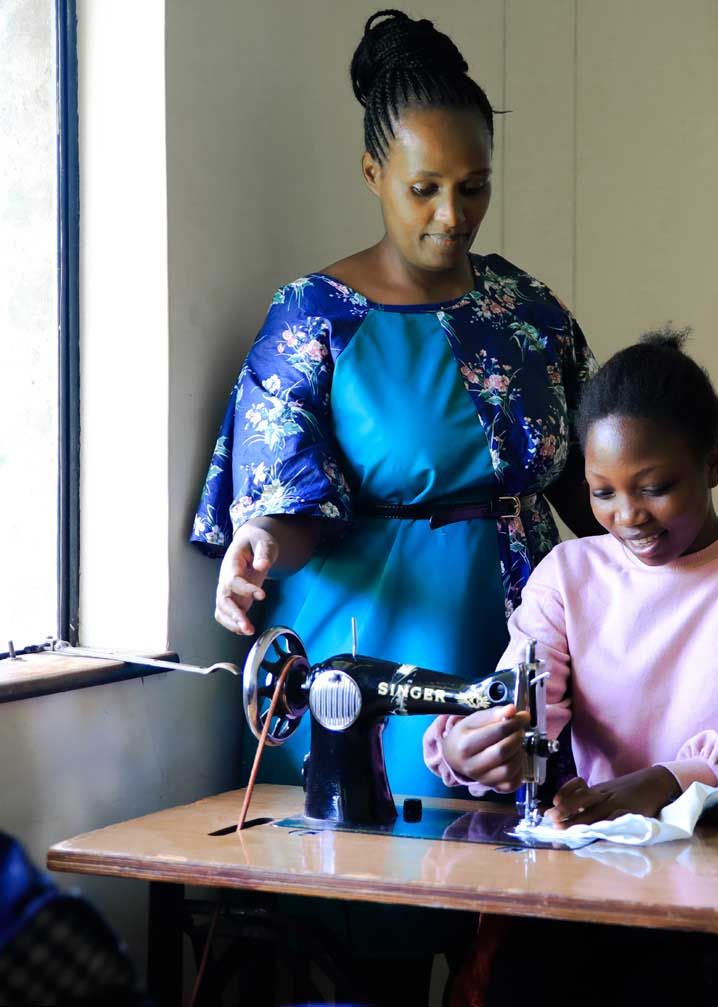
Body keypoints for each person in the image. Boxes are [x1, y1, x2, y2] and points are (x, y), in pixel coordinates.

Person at [190, 9, 599, 1002]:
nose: (451, 215)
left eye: (473, 188)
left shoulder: (528, 310)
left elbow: (596, 478)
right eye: (424, 189)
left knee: (518, 930)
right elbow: (285, 502)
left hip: (516, 623)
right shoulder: (314, 321)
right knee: (367, 922)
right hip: (369, 632)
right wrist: (254, 547)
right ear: (373, 175)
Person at [424, 329, 718, 1004]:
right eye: (602, 492)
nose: (628, 518)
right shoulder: (569, 573)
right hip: (601, 878)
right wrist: (470, 746)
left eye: (654, 487)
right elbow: (513, 701)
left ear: (712, 463)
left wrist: (665, 781)